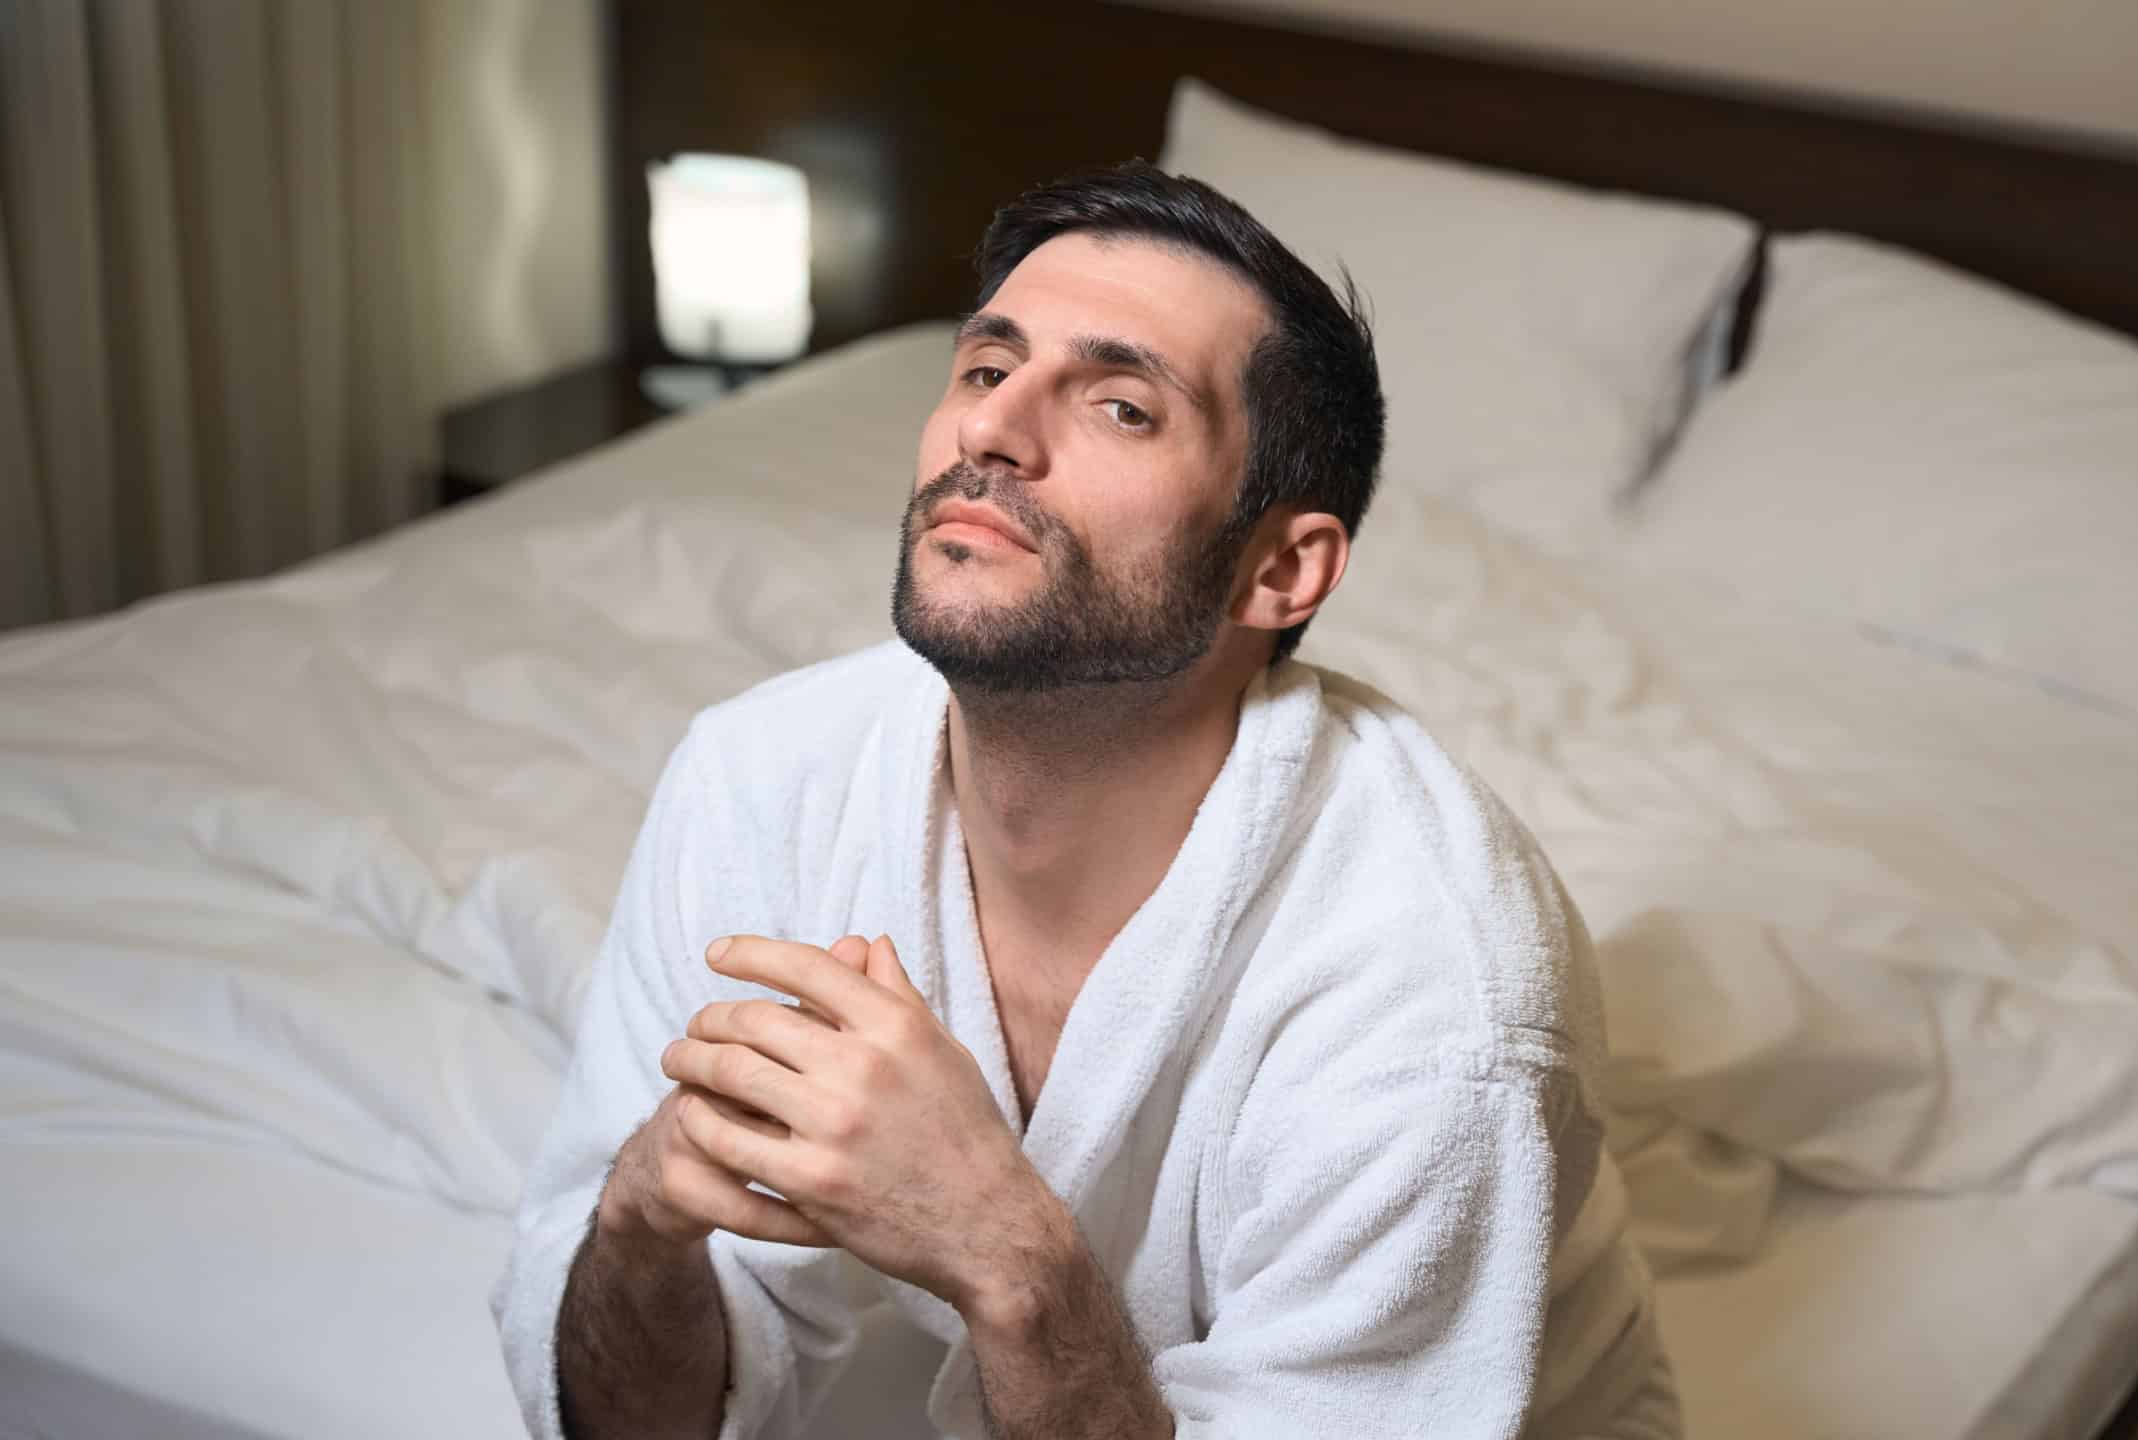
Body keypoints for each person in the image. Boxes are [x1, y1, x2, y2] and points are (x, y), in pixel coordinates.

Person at [492, 161, 1681, 1440]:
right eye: (987, 368)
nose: (991, 432)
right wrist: (641, 1216)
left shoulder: (1437, 997)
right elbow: (623, 1417)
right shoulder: (760, 778)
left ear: (1280, 567)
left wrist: (1004, 1250)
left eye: (1121, 406)